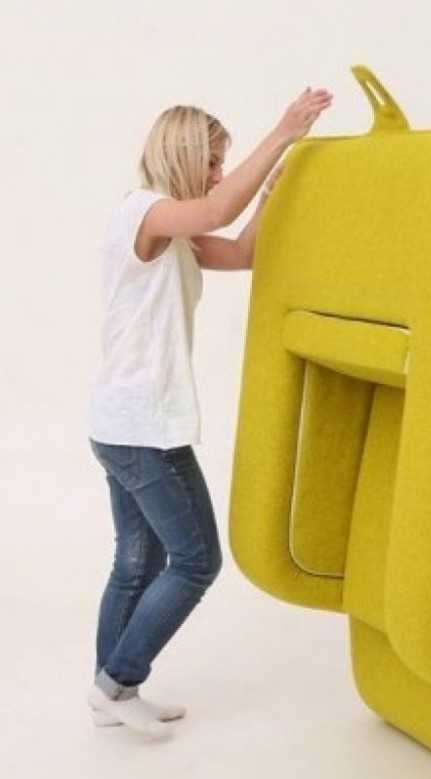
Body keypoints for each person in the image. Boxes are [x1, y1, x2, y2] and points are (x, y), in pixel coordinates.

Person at [87, 86, 333, 738]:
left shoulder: (175, 234)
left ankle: (108, 688)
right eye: (214, 161)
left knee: (136, 563)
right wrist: (283, 131)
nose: (221, 175)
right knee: (196, 562)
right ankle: (118, 682)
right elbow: (220, 208)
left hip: (127, 425)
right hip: (141, 429)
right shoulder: (145, 212)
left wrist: (273, 189)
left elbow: (244, 251)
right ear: (185, 154)